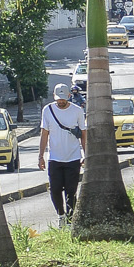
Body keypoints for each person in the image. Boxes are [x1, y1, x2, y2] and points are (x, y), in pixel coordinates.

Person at [37, 83, 85, 225]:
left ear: (69, 96)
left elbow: (83, 134)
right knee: (55, 189)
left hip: (73, 157)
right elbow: (44, 134)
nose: (61, 101)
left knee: (71, 191)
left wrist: (85, 154)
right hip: (55, 157)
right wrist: (41, 156)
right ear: (54, 97)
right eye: (59, 99)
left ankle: (70, 220)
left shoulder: (77, 111)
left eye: (63, 98)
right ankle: (60, 215)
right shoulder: (48, 110)